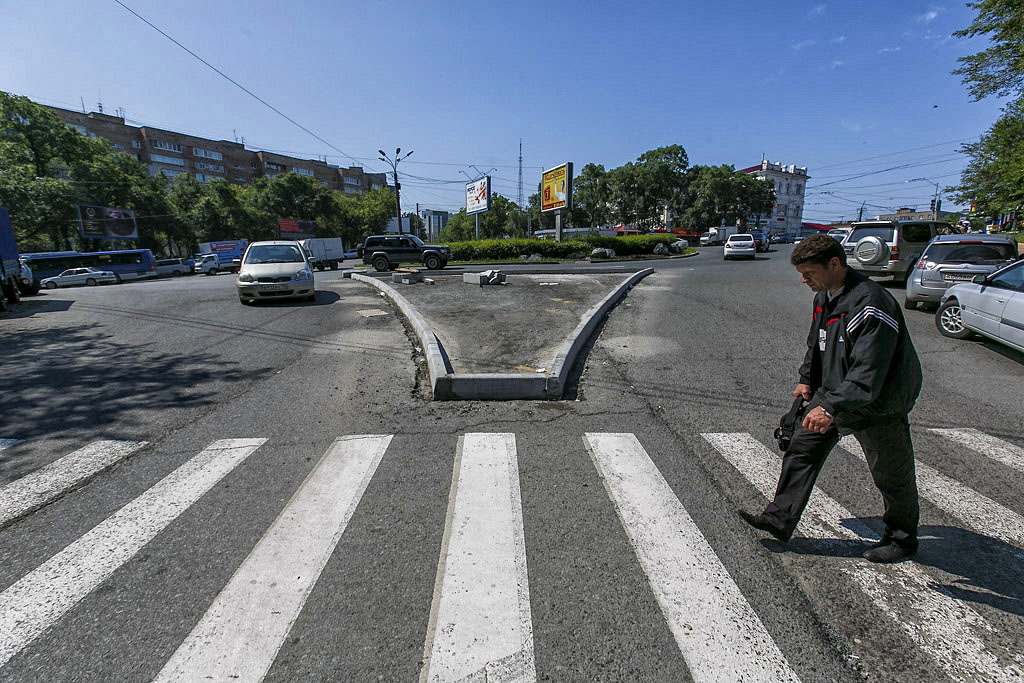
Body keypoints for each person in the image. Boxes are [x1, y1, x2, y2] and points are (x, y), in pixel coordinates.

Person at [739, 234, 923, 563]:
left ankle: (902, 539)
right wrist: (806, 380)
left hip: (878, 402)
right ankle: (779, 518)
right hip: (837, 391)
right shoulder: (825, 296)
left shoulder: (871, 306)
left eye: (809, 272)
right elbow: (818, 343)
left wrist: (830, 407)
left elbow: (869, 373)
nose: (803, 279)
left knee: (891, 474)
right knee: (802, 446)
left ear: (835, 264)